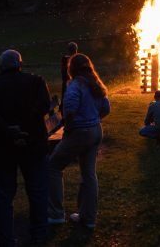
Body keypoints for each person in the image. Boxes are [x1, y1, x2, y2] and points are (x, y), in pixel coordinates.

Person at [0, 50, 52, 247]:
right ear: (21, 64)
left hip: (2, 148)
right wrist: (23, 126)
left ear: (0, 67)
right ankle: (39, 232)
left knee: (3, 197)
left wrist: (9, 130)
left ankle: (7, 239)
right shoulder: (36, 82)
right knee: (37, 192)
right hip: (33, 144)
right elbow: (44, 105)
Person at [48, 54, 110, 229]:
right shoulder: (95, 84)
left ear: (71, 69)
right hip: (96, 131)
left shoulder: (74, 85)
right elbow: (106, 108)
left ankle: (55, 215)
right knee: (88, 173)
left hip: (79, 133)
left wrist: (68, 130)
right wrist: (93, 120)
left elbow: (69, 111)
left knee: (52, 167)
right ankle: (87, 218)